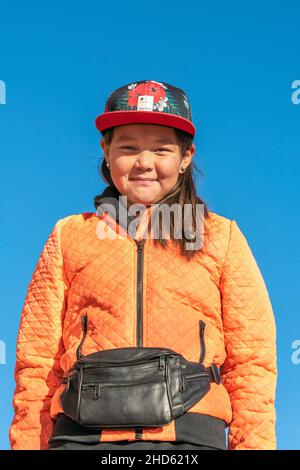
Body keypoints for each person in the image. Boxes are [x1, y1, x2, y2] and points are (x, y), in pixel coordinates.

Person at [9, 80, 277, 450]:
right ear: (106, 151)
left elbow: (252, 362)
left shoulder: (222, 236)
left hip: (190, 438)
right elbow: (36, 361)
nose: (144, 163)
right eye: (129, 147)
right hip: (82, 436)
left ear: (185, 157)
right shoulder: (68, 235)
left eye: (161, 150)